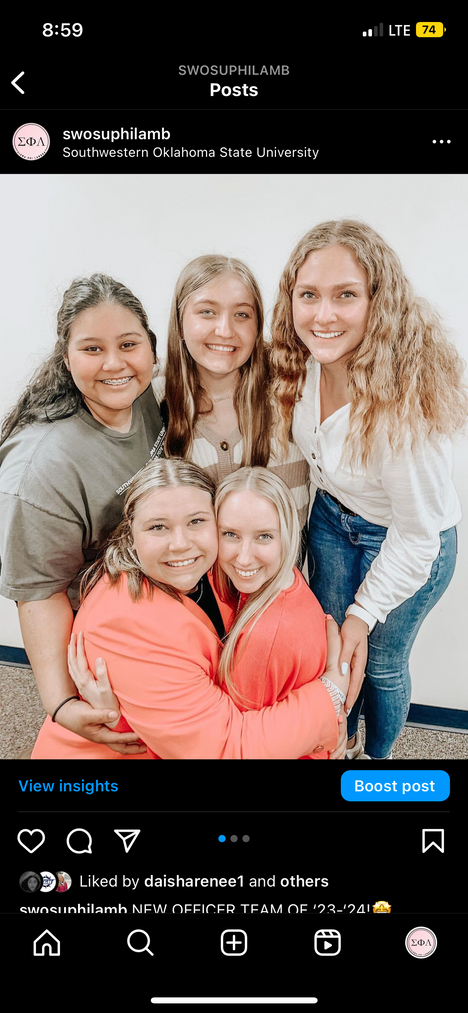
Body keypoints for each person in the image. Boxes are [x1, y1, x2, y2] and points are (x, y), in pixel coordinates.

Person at [270, 219, 466, 760]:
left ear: (378, 302)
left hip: (409, 541)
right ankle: (338, 742)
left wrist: (365, 610)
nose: (323, 315)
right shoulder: (300, 362)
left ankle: (375, 762)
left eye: (346, 295)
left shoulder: (402, 406)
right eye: (309, 295)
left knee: (378, 660)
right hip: (333, 519)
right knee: (330, 647)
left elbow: (418, 536)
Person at [31, 459, 348, 759]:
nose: (181, 543)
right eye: (158, 527)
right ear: (131, 532)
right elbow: (225, 750)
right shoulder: (123, 626)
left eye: (196, 521)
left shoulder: (209, 567)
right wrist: (329, 696)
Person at [0, 273, 164, 753]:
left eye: (129, 344)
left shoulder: (144, 395)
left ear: (151, 347)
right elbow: (40, 593)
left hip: (153, 602)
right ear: (66, 357)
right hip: (100, 635)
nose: (115, 363)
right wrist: (61, 703)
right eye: (92, 349)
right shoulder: (41, 472)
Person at [155, 254, 310, 546]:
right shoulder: (153, 399)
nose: (225, 330)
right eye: (207, 312)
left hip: (289, 574)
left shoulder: (293, 388)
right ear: (180, 322)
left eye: (242, 315)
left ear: (257, 326)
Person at [213, 467, 344, 759]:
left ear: (286, 536)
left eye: (263, 536)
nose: (243, 557)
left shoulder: (263, 637)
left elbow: (238, 747)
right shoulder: (284, 578)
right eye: (231, 534)